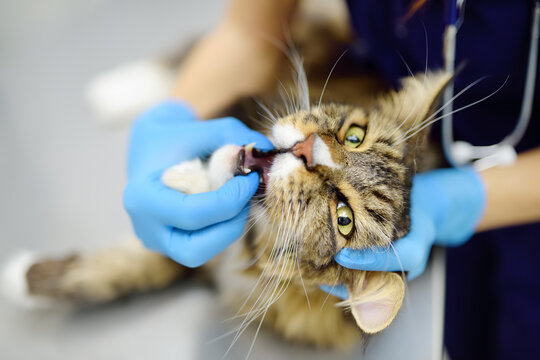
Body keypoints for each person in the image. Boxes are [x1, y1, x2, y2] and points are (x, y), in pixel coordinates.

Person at [123, 0, 540, 358]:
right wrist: (170, 122)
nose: (313, 154)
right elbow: (247, 35)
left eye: (344, 216)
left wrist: (461, 200)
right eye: (352, 136)